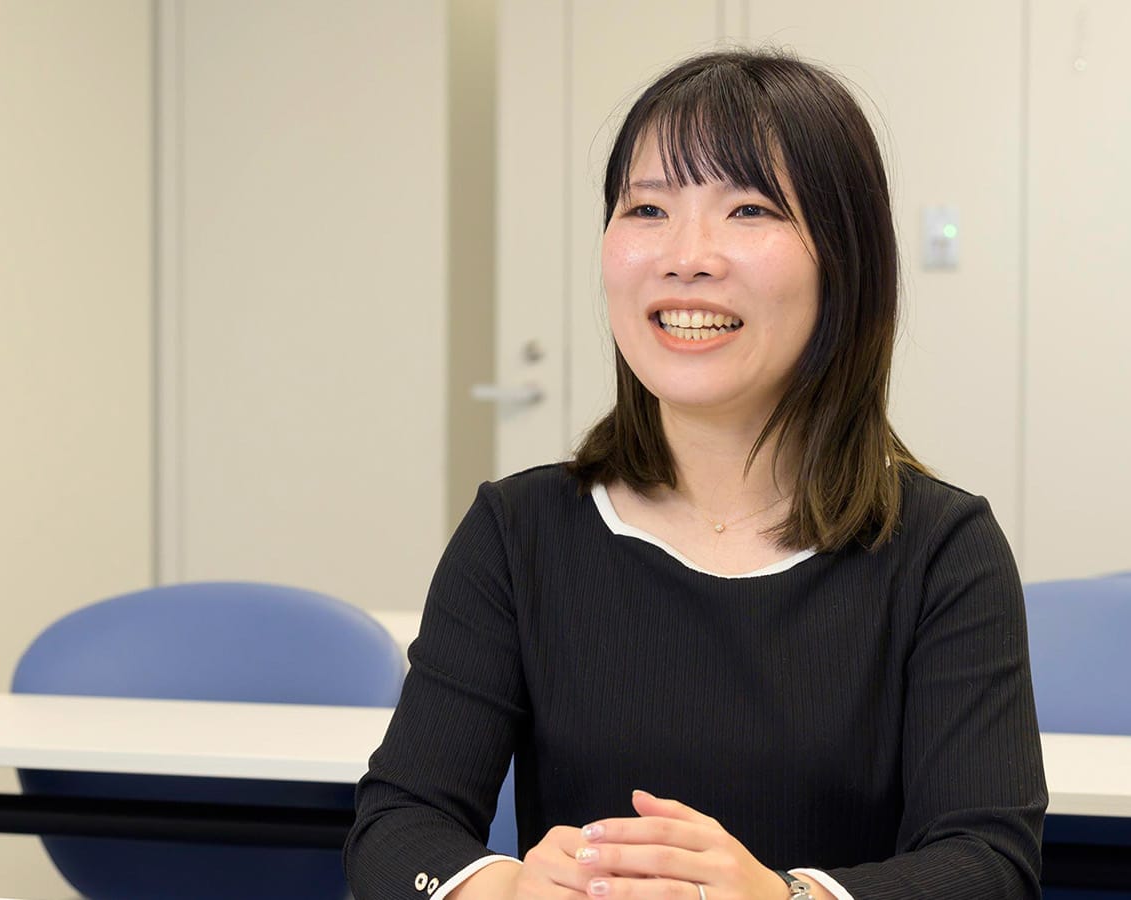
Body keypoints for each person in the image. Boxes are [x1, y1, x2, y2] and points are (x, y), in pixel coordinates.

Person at [345, 48, 1045, 900]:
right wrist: (506, 890)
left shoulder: (941, 549)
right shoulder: (518, 530)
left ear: (846, 260)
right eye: (647, 208)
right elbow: (397, 825)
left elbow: (990, 866)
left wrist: (782, 897)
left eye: (749, 209)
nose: (687, 256)